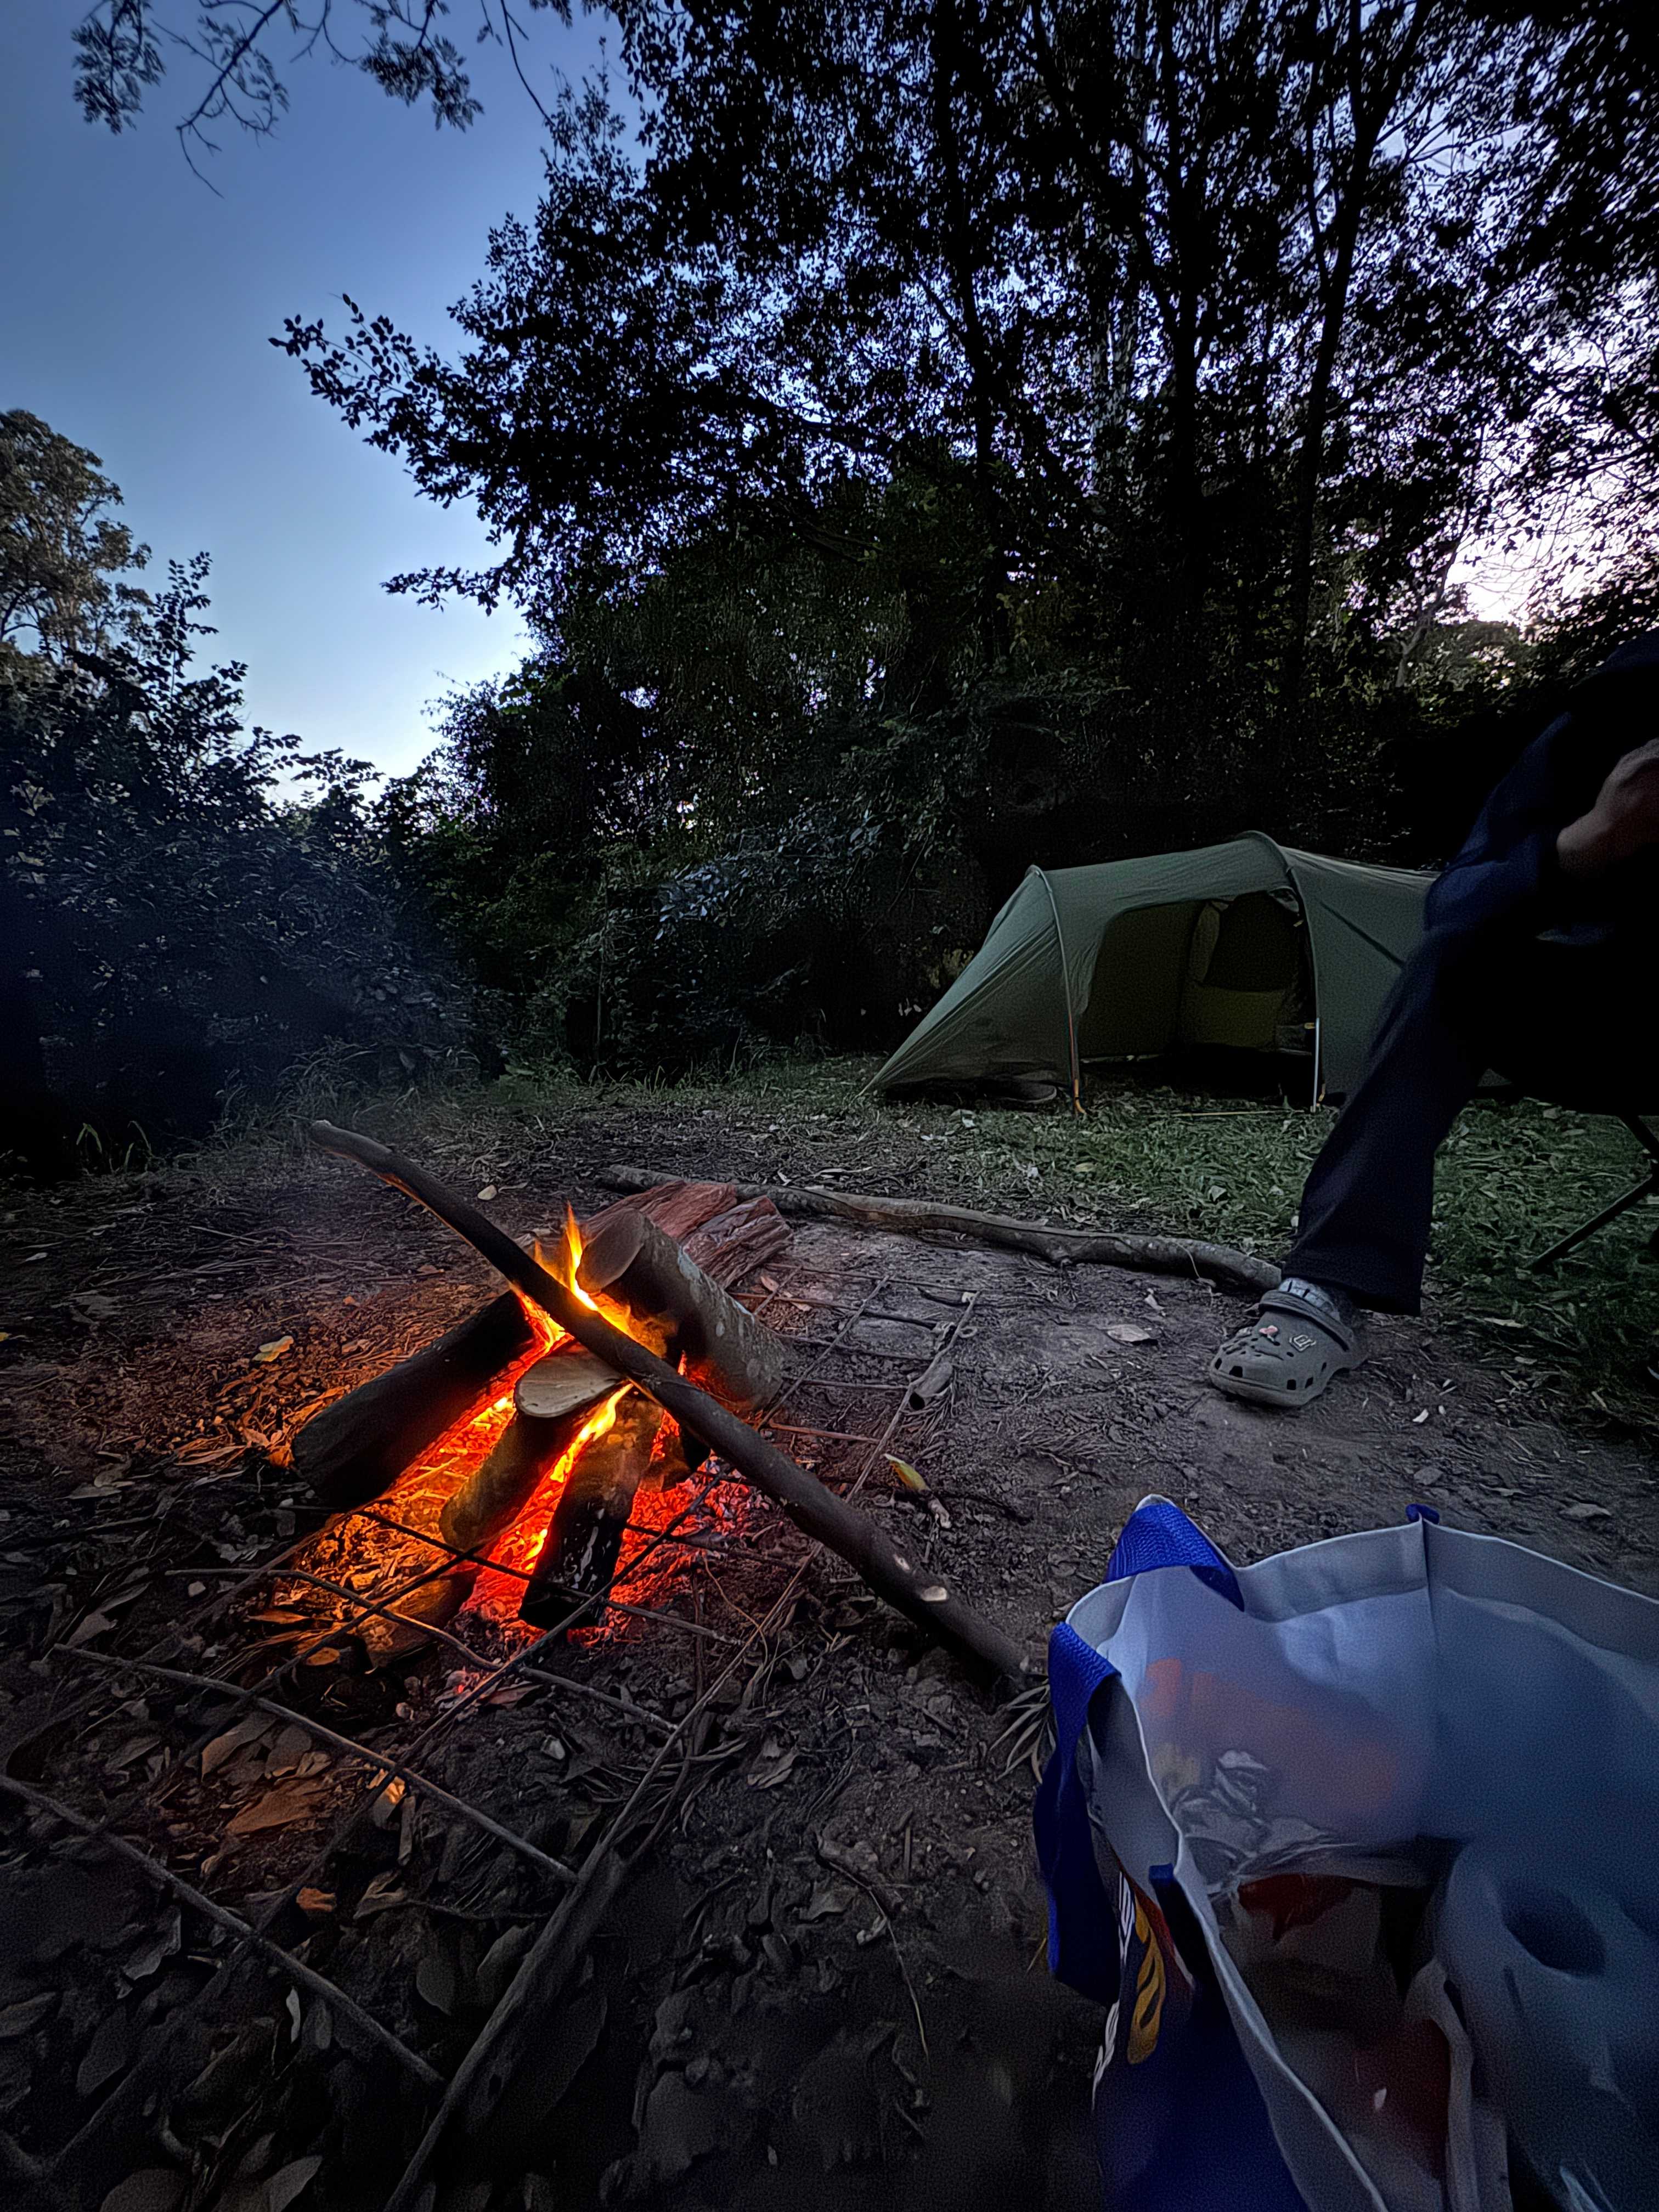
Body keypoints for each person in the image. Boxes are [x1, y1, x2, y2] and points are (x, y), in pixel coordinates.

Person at [1210, 633, 1659, 1407]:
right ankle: (1330, 1279)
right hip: (1609, 1015)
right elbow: (1454, 899)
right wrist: (1587, 844)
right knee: (1453, 964)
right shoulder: (1611, 721)